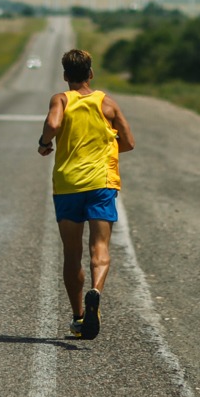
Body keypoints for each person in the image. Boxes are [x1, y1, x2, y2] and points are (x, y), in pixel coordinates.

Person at [37, 46, 135, 339]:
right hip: (101, 184)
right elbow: (128, 142)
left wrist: (44, 142)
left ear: (66, 75)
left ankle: (79, 316)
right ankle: (96, 290)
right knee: (100, 248)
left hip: (68, 185)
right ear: (90, 74)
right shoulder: (107, 104)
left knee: (72, 253)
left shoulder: (61, 99)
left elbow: (54, 124)